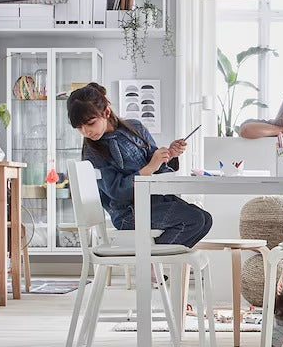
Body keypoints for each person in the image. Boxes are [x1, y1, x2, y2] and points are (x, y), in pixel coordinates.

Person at [66, 83, 212, 248]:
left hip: (155, 203)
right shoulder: (92, 152)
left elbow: (158, 167)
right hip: (128, 213)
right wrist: (149, 168)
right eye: (79, 128)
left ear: (106, 112)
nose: (86, 132)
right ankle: (149, 263)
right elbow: (116, 191)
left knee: (205, 219)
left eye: (90, 123)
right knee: (195, 219)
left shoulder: (135, 128)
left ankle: (150, 261)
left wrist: (169, 154)